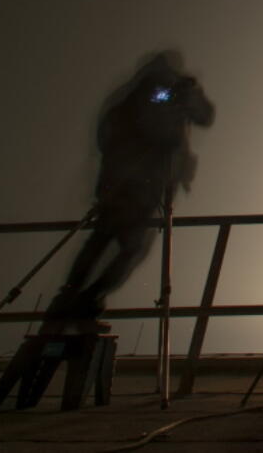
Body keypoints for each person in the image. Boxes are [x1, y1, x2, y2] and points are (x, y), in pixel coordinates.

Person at [43, 51, 214, 331]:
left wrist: (191, 94)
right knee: (126, 246)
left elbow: (205, 116)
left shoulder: (138, 97)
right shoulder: (149, 94)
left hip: (128, 185)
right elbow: (157, 125)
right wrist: (180, 97)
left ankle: (74, 300)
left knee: (112, 244)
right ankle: (80, 301)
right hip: (133, 186)